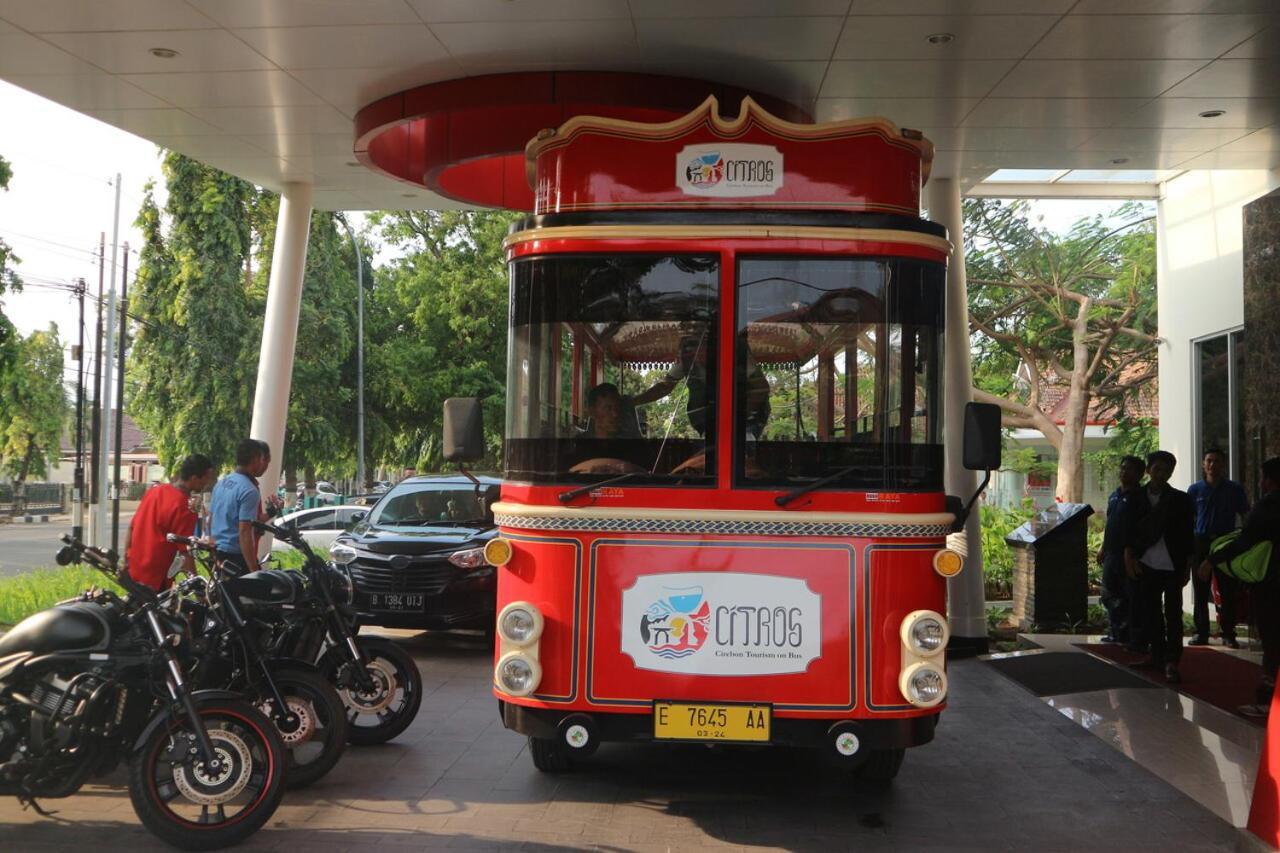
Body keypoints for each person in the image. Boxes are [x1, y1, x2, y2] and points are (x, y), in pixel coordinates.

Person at [1200, 456, 1280, 717]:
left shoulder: (1268, 506)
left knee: (1272, 642)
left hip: (1272, 583)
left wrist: (1212, 560)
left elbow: (1245, 541)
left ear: (1268, 480)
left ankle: (1267, 702)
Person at [1126, 450, 1195, 683]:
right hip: (1146, 562)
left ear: (1171, 472)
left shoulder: (1181, 500)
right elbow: (1129, 533)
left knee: (1173, 614)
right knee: (1150, 612)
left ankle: (1172, 660)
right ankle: (1156, 655)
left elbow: (1188, 536)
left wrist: (1187, 567)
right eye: (1157, 469)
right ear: (1149, 470)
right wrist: (1130, 556)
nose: (1161, 474)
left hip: (1173, 564)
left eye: (1166, 470)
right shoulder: (1136, 497)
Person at [123, 454, 216, 591]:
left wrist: (126, 559)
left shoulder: (154, 491)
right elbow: (185, 554)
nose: (206, 484)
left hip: (134, 568)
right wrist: (198, 589)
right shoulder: (185, 507)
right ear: (194, 478)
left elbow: (131, 527)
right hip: (155, 577)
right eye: (206, 479)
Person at [1187, 448, 1250, 648]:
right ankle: (1201, 632)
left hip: (1225, 543)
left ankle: (1228, 633)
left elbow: (1245, 514)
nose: (1212, 465)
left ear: (1223, 465)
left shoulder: (1234, 489)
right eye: (1209, 461)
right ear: (1203, 464)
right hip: (1201, 542)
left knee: (1227, 590)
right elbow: (1189, 519)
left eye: (1216, 461)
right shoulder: (1195, 490)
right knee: (1200, 590)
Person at [1096, 455, 1147, 645]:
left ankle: (1128, 634)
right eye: (1122, 468)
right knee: (1109, 594)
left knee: (1129, 596)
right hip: (1111, 554)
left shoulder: (1140, 498)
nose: (1124, 472)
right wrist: (1102, 548)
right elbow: (1111, 523)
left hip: (1129, 556)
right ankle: (1115, 631)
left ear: (1140, 474)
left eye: (1130, 469)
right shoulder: (1115, 495)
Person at [209, 438, 274, 577]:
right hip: (235, 556)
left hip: (217, 552)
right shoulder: (249, 490)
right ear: (255, 459)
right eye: (263, 459)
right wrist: (253, 569)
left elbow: (210, 518)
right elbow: (245, 532)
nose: (264, 465)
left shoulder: (222, 483)